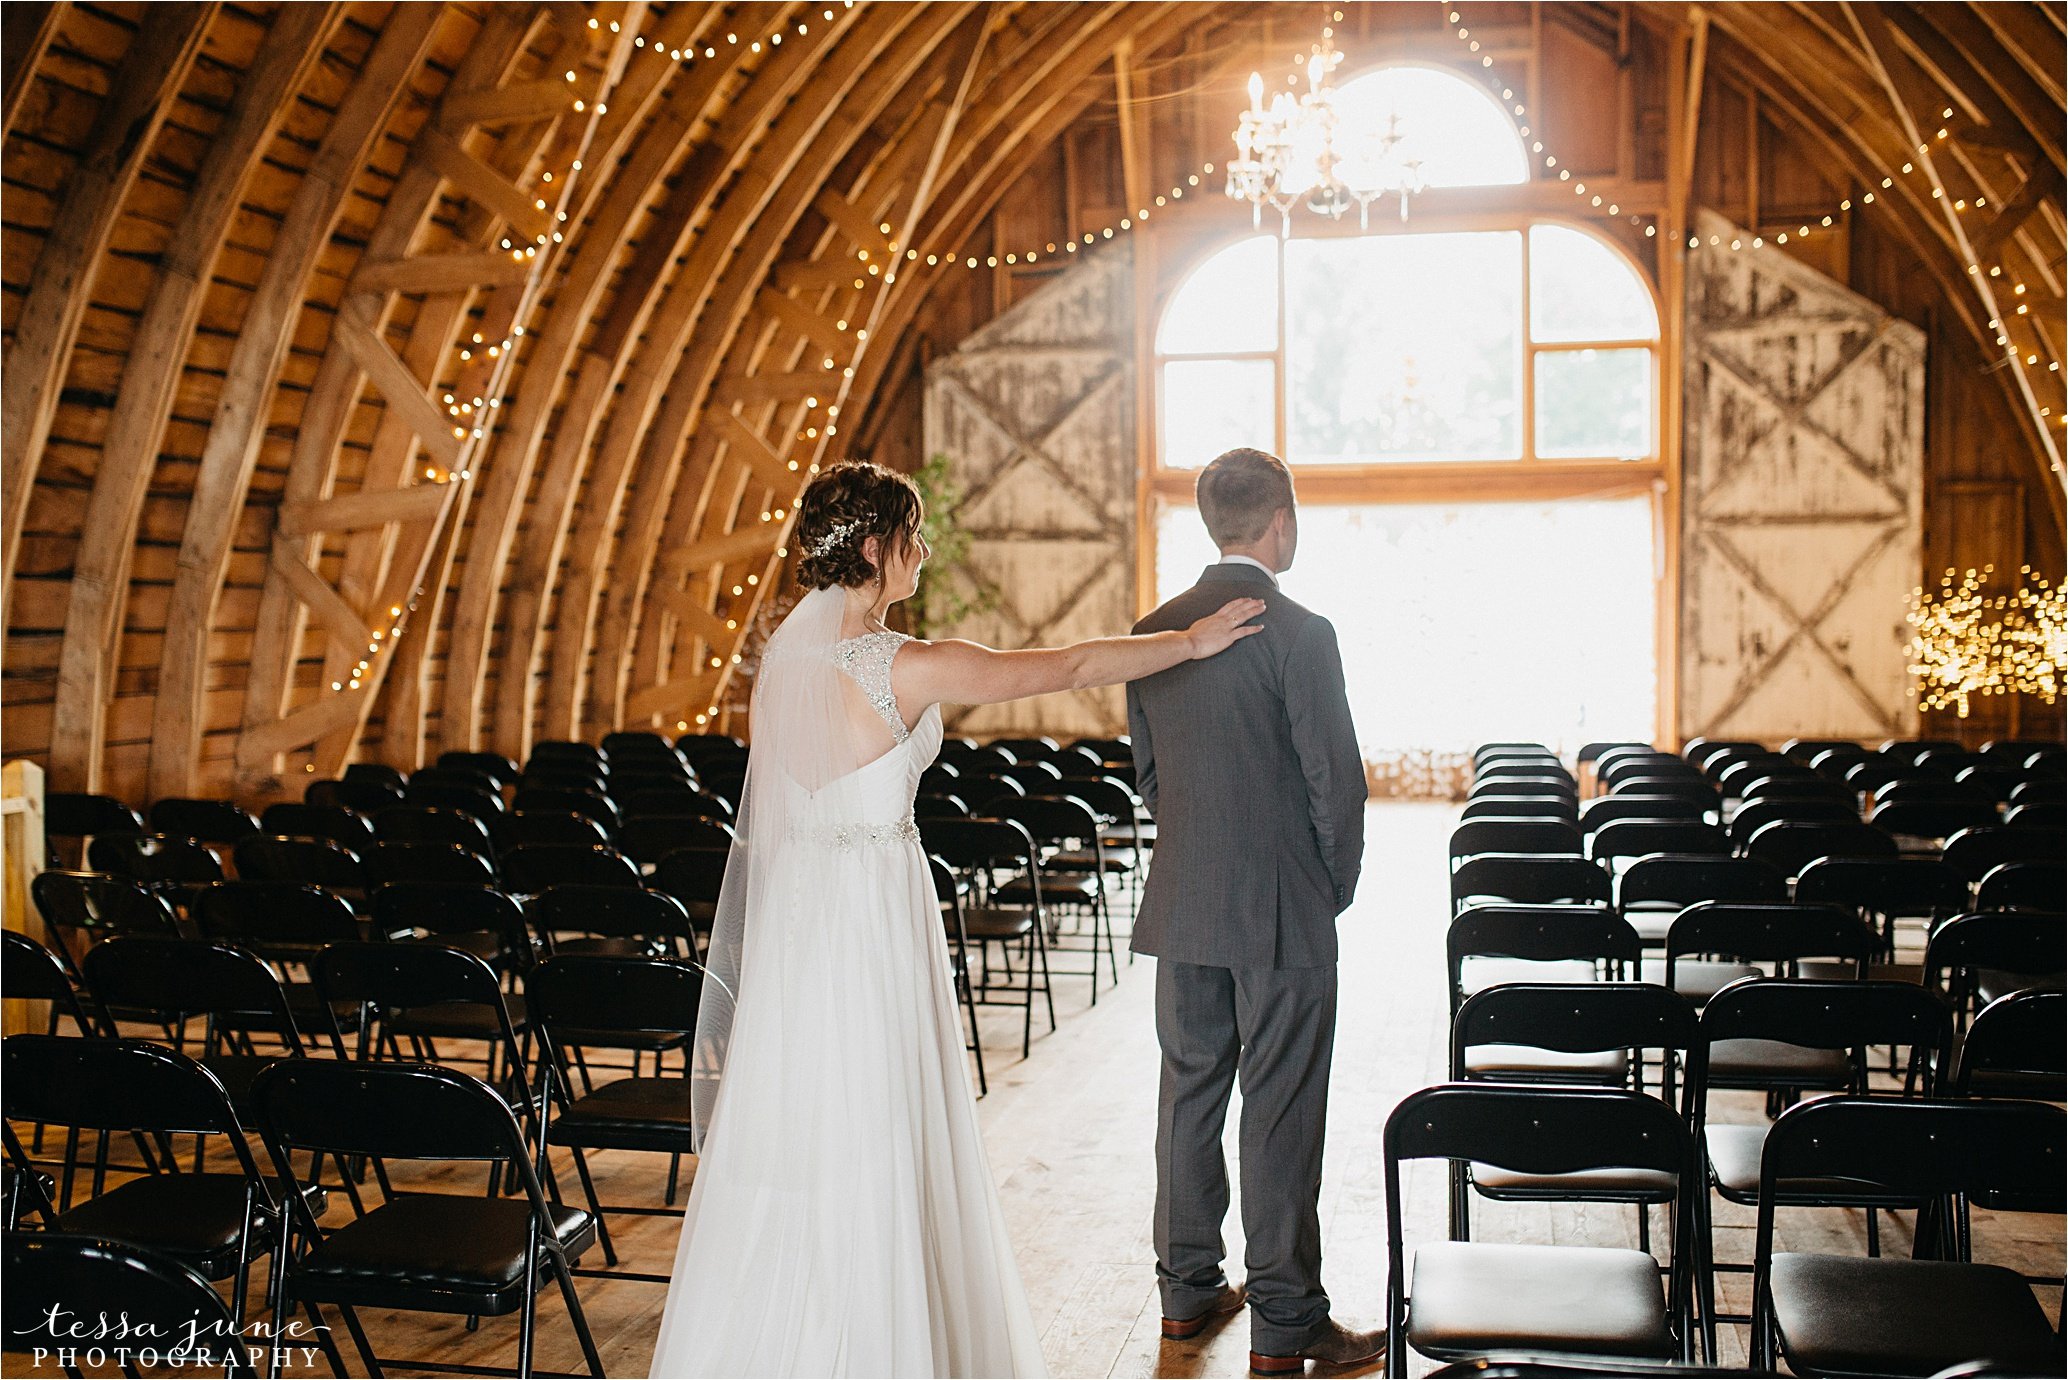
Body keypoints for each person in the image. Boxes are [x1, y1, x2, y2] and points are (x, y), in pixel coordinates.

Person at [648, 459, 1265, 1378]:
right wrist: (1189, 644)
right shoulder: (902, 664)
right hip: (875, 917)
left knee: (810, 1114)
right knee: (883, 1113)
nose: (925, 553)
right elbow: (1068, 666)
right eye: (914, 536)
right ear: (873, 548)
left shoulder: (783, 666)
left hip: (806, 925)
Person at [1125, 446, 1379, 1376]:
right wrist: (1331, 887)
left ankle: (1186, 1294)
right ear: (1282, 520)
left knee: (1188, 1094)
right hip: (1282, 911)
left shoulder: (1153, 630)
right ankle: (1284, 1322)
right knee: (1280, 1108)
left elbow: (1151, 778)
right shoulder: (1303, 632)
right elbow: (1336, 787)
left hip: (1185, 901)